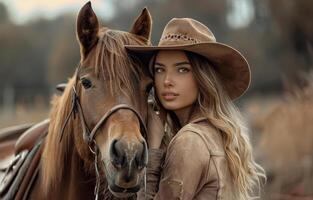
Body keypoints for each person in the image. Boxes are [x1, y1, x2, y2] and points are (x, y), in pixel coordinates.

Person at [126, 18, 266, 200]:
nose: (167, 80)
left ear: (202, 78)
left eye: (182, 70)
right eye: (160, 70)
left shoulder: (189, 141)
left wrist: (152, 148)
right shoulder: (215, 134)